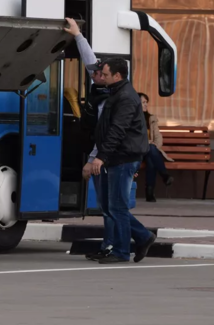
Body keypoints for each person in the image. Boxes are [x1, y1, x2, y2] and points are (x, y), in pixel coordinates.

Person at [90, 58, 156, 264]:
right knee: (112, 206)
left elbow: (118, 130)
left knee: (117, 206)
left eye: (106, 75)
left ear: (117, 76)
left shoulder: (125, 97)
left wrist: (101, 157)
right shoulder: (117, 92)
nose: (103, 77)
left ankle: (121, 251)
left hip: (123, 158)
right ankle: (143, 236)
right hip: (117, 157)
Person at [64, 18, 113, 262]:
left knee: (111, 207)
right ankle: (110, 244)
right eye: (95, 71)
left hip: (107, 158)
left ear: (110, 76)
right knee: (109, 207)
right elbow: (88, 60)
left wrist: (93, 159)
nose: (94, 74)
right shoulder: (101, 87)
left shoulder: (109, 99)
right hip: (104, 155)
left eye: (100, 73)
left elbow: (105, 133)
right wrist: (77, 35)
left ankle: (121, 242)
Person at [138, 92, 174, 202]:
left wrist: (154, 144)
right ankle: (164, 175)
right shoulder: (132, 119)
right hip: (137, 151)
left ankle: (150, 192)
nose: (145, 105)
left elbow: (158, 137)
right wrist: (148, 143)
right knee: (151, 152)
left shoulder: (151, 118)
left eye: (146, 103)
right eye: (143, 102)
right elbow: (134, 138)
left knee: (151, 159)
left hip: (150, 150)